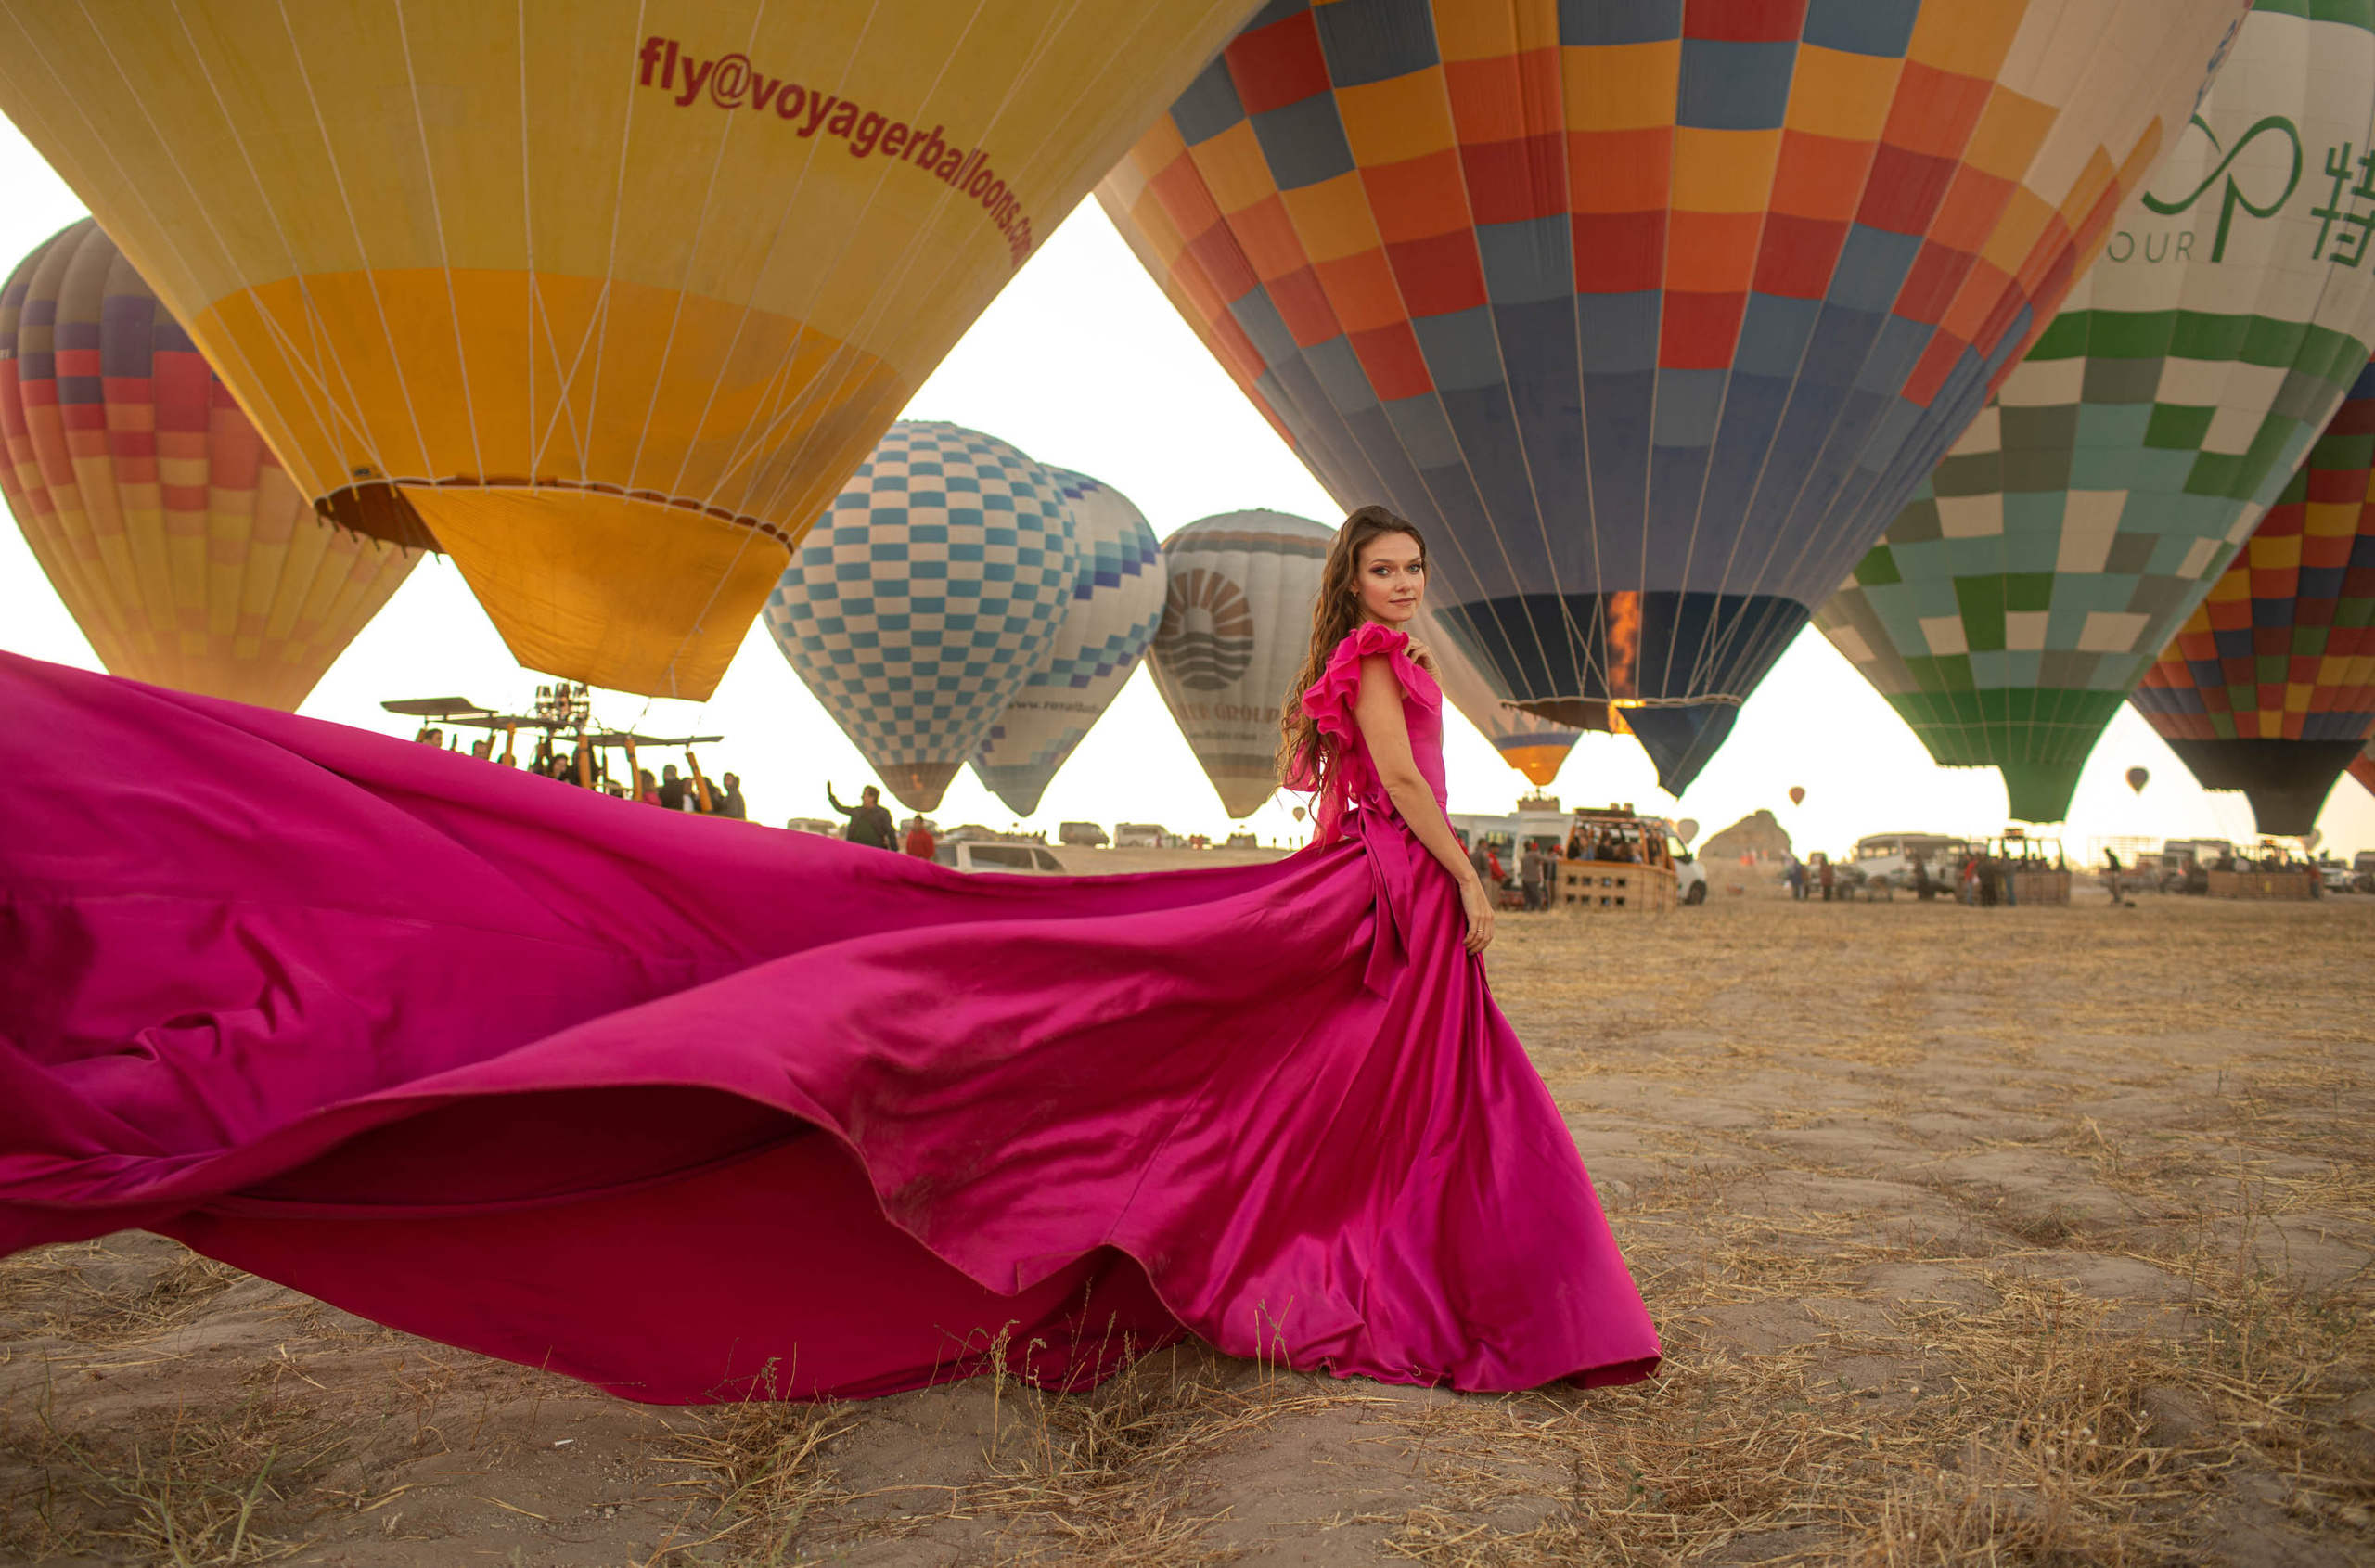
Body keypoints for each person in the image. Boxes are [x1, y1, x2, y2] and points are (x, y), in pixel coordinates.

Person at [0, 503, 1656, 1411]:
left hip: (1362, 881)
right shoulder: (1375, 662)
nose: (1406, 590)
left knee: (1392, 1075)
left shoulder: (1365, 655)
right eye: (1386, 571)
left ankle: (1402, 1252)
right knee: (1381, 1068)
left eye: (1414, 570)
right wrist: (1476, 880)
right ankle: (1458, 1272)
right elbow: (1409, 790)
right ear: (1352, 594)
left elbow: (1338, 780)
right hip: (1393, 883)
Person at [828, 782, 900, 850]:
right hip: (855, 850)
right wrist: (831, 796)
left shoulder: (883, 813)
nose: (862, 797)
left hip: (875, 851)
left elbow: (890, 832)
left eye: (864, 795)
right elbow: (840, 808)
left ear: (872, 798)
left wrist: (894, 850)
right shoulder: (857, 811)